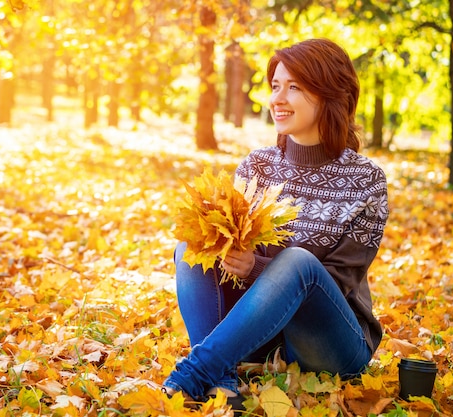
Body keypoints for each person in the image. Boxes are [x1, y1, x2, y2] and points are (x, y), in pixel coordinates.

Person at [162, 38, 389, 411]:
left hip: (330, 346)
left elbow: (339, 282)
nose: (278, 99)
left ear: (330, 94)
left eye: (295, 87)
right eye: (276, 86)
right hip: (260, 338)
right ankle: (220, 381)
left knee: (298, 262)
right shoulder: (257, 167)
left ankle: (197, 372)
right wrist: (229, 255)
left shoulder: (366, 181)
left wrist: (256, 268)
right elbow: (226, 256)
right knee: (194, 246)